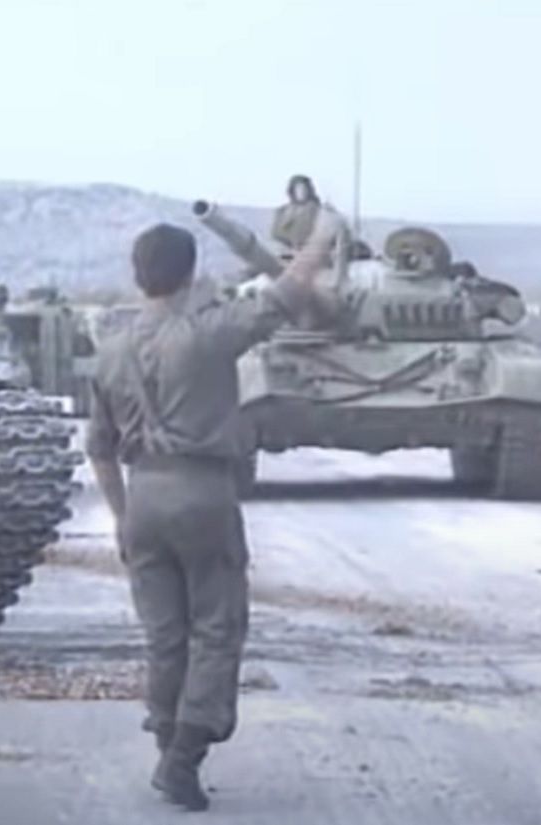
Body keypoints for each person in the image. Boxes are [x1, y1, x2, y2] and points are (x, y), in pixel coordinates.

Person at [85, 207, 344, 811]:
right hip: (201, 493)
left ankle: (166, 742)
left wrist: (121, 517)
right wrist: (323, 235)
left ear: (138, 274)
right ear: (189, 274)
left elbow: (98, 448)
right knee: (216, 629)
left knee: (164, 635)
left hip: (142, 497)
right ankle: (182, 759)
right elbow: (289, 289)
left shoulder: (110, 351)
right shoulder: (209, 333)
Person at [270, 173, 321, 252]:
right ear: (292, 190)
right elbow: (277, 233)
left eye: (304, 188)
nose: (301, 192)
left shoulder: (318, 211)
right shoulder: (283, 211)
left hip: (312, 251)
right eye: (298, 189)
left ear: (309, 190)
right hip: (287, 251)